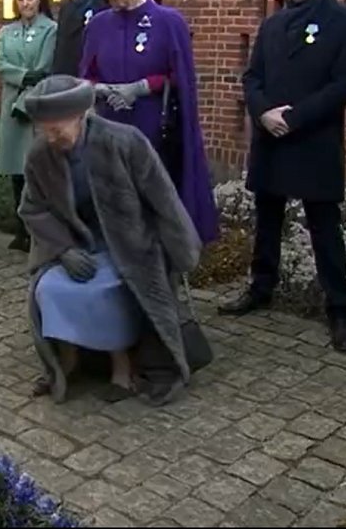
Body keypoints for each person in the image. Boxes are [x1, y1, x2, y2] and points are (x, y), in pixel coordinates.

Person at [20, 74, 207, 406]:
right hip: (76, 245)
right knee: (50, 288)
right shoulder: (40, 155)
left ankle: (121, 367)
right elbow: (32, 209)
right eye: (44, 129)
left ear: (81, 116)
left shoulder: (125, 141)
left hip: (129, 245)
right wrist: (63, 250)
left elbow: (162, 198)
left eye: (57, 127)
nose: (51, 136)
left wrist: (183, 250)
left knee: (108, 288)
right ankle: (68, 360)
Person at [220, 0, 346, 354]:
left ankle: (339, 309)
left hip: (313, 138)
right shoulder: (271, 24)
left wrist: (294, 117)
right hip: (271, 137)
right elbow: (252, 78)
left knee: (325, 226)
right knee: (267, 218)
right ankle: (261, 287)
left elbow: (345, 83)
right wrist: (264, 112)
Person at [78, 0, 219, 245]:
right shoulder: (99, 25)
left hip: (153, 126)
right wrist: (103, 90)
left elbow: (179, 74)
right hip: (109, 124)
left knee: (149, 200)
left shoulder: (168, 21)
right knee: (115, 200)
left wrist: (140, 87)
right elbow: (86, 74)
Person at [0, 0, 57, 251]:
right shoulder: (7, 31)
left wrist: (28, 83)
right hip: (11, 108)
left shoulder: (51, 30)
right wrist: (22, 76)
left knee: (37, 171)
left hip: (36, 106)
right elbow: (0, 63)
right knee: (16, 173)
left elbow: (44, 68)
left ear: (39, 0)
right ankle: (20, 231)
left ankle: (39, 231)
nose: (26, 3)